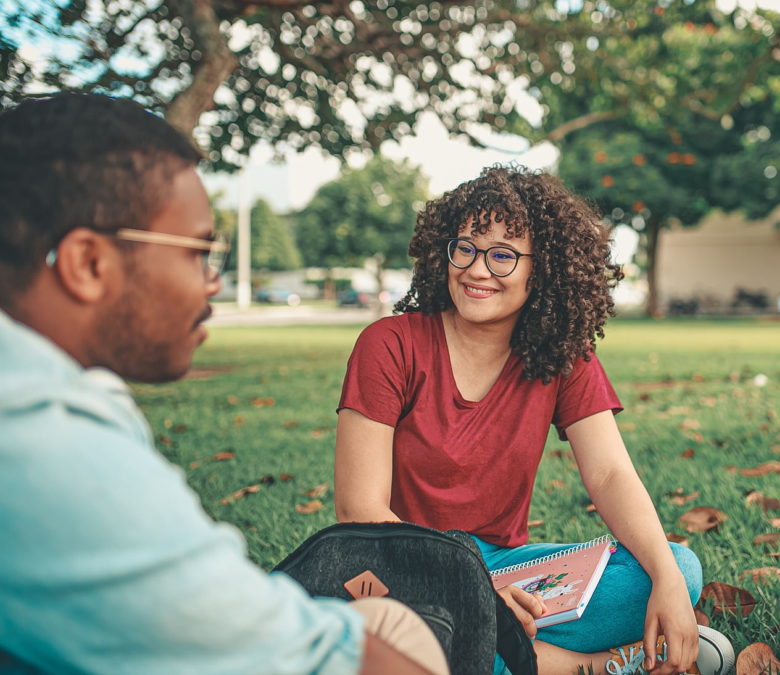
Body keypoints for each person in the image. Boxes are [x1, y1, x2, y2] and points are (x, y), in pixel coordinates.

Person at [0, 93, 447, 675]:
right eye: (198, 253)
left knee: (387, 620)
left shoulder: (52, 392)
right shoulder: (47, 447)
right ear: (89, 263)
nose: (212, 282)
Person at [333, 166, 733, 675]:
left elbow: (609, 474)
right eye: (467, 248)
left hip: (502, 571)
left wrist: (669, 585)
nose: (478, 270)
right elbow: (358, 510)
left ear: (540, 269)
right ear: (444, 251)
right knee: (401, 635)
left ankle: (490, 652)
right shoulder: (389, 344)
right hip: (400, 571)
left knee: (677, 566)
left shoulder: (563, 356)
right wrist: (472, 596)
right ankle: (588, 666)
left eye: (503, 255)